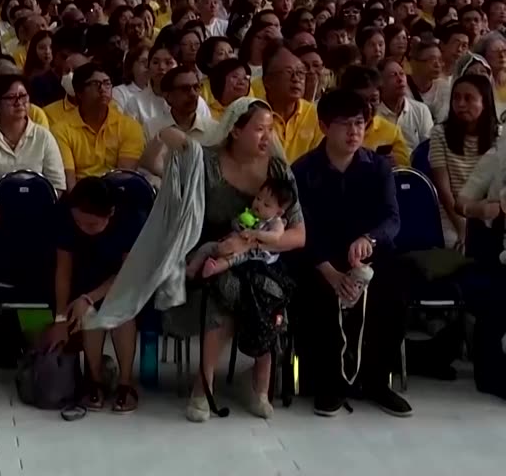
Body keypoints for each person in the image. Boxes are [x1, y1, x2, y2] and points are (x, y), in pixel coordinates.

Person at [159, 99, 305, 423]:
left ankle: (260, 388)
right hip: (209, 256)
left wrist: (252, 240)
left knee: (263, 294)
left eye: (270, 129)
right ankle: (204, 385)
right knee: (225, 288)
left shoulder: (279, 172)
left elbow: (298, 236)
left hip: (261, 260)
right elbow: (166, 136)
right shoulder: (207, 162)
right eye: (258, 129)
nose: (267, 137)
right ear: (235, 131)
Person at [291, 89, 412, 418]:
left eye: (360, 123)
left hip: (369, 255)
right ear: (324, 126)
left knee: (393, 288)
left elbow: (392, 218)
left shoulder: (377, 168)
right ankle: (327, 382)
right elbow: (303, 228)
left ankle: (376, 381)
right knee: (315, 294)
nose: (354, 131)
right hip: (321, 258)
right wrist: (329, 271)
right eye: (345, 124)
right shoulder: (303, 171)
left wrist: (369, 240)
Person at [43, 178, 139, 413]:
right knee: (89, 314)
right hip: (82, 281)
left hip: (121, 285)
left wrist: (91, 297)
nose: (84, 228)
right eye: (79, 223)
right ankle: (94, 381)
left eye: (92, 224)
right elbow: (63, 271)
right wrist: (61, 319)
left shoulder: (129, 217)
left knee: (122, 315)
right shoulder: (66, 215)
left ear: (111, 214)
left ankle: (126, 383)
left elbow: (128, 274)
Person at [429, 74, 496, 248]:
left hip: (489, 215)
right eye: (456, 98)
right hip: (452, 216)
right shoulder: (439, 134)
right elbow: (444, 191)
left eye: (468, 98)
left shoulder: (500, 136)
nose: (461, 104)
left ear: (485, 102)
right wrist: (462, 229)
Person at [52, 63, 145, 187]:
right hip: (80, 197)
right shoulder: (61, 130)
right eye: (95, 84)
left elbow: (124, 177)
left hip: (117, 196)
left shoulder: (129, 126)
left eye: (107, 83)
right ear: (79, 93)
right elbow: (69, 182)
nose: (103, 89)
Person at [0, 73, 66, 191]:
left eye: (23, 96)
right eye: (11, 97)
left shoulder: (43, 137)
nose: (19, 102)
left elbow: (57, 184)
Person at [185, 176, 295, 279]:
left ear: (278, 213)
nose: (259, 204)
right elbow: (234, 224)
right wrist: (238, 223)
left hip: (253, 253)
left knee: (231, 258)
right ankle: (192, 269)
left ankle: (214, 268)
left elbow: (275, 237)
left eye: (266, 205)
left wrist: (255, 234)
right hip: (231, 241)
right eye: (258, 198)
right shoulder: (252, 213)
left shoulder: (276, 222)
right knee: (207, 247)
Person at [140, 65, 219, 181]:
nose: (193, 94)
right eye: (185, 89)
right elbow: (144, 172)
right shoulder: (151, 127)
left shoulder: (214, 130)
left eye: (196, 87)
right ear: (167, 96)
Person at [376, 59, 433, 151]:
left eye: (402, 73)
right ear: (380, 83)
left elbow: (428, 149)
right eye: (393, 75)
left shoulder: (421, 110)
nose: (400, 79)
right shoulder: (374, 114)